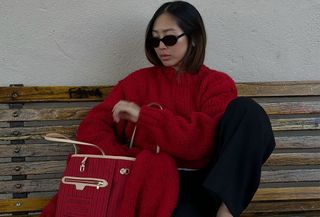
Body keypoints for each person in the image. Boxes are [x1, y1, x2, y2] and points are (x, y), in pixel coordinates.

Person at [43, 1, 275, 217]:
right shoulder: (136, 83)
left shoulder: (215, 84)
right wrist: (131, 159)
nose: (161, 47)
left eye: (170, 39)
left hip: (205, 184)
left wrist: (144, 116)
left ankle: (226, 212)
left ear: (193, 38)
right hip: (152, 183)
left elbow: (199, 142)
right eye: (155, 40)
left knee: (249, 112)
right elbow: (94, 125)